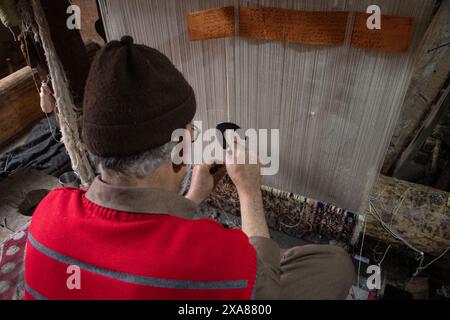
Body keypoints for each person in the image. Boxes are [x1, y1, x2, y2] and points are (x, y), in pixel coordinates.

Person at [24, 36, 354, 300]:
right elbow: (264, 290)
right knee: (334, 265)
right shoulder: (208, 257)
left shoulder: (48, 214)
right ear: (180, 152)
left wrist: (193, 197)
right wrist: (250, 192)